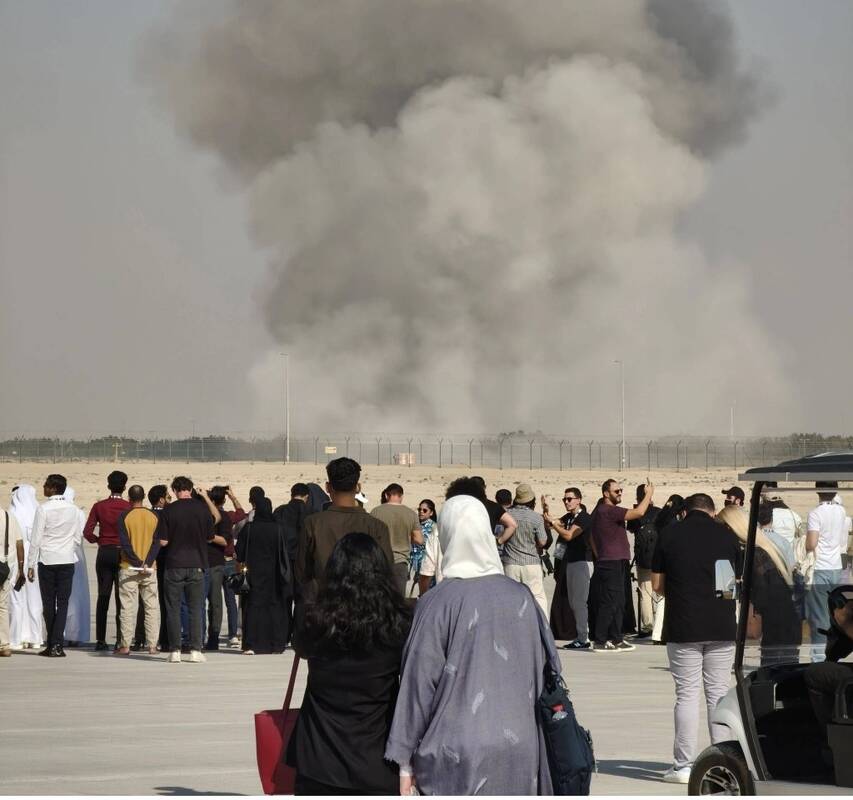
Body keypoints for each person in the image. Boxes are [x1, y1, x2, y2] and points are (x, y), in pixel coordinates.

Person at [385, 495, 561, 795]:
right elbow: (551, 667)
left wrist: (404, 759)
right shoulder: (522, 597)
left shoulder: (436, 602)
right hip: (521, 748)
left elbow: (418, 683)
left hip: (455, 753)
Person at [286, 533, 413, 794]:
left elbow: (301, 648)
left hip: (318, 757)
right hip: (377, 757)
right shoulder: (398, 623)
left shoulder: (315, 618)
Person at [651, 493, 738, 783]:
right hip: (721, 625)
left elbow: (657, 585)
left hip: (684, 625)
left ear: (685, 512)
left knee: (687, 695)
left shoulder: (669, 534)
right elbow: (728, 587)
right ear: (712, 512)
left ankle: (683, 765)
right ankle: (723, 761)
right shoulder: (726, 536)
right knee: (718, 694)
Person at [295, 458, 393, 606]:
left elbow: (302, 572)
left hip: (325, 608)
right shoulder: (377, 527)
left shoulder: (312, 524)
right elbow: (386, 572)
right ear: (358, 487)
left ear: (328, 487)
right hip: (365, 609)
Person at [718, 505, 800, 666]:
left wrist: (736, 587)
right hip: (784, 624)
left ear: (730, 527)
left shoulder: (754, 555)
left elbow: (760, 594)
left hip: (776, 627)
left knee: (773, 672)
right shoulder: (764, 548)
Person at [156, 476, 219, 664]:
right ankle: (195, 650)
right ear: (190, 490)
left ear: (175, 491)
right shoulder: (202, 509)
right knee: (195, 608)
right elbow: (210, 537)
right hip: (197, 563)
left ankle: (175, 650)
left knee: (173, 609)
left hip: (174, 564)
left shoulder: (168, 510)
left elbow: (163, 541)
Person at [589, 478, 654, 653]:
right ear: (606, 493)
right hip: (610, 562)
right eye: (616, 491)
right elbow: (639, 512)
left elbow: (591, 537)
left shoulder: (600, 511)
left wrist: (599, 554)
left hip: (614, 561)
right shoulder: (608, 510)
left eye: (621, 491)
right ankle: (600, 641)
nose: (619, 493)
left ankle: (616, 638)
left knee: (618, 602)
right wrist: (648, 494)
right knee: (609, 602)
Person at [27, 474, 83, 658]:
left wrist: (30, 564)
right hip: (66, 560)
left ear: (53, 488)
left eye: (46, 485)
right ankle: (56, 643)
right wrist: (66, 548)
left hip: (47, 560)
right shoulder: (74, 509)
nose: (43, 487)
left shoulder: (43, 509)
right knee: (63, 603)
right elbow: (77, 537)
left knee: (49, 603)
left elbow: (36, 539)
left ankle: (53, 643)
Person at [235, 497, 292, 655]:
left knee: (253, 608)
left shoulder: (249, 528)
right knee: (274, 608)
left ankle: (251, 644)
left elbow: (240, 552)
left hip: (253, 574)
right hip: (274, 575)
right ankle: (275, 644)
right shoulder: (278, 528)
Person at [83, 470, 131, 650]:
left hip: (105, 552)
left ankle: (101, 640)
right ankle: (120, 639)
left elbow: (87, 532)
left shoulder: (99, 506)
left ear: (108, 485)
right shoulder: (128, 507)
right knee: (121, 597)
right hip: (122, 553)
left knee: (103, 596)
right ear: (124, 487)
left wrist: (99, 540)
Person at [805, 482, 848, 662]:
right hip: (835, 566)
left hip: (821, 566)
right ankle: (832, 654)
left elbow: (811, 543)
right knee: (832, 614)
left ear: (818, 490)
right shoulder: (841, 511)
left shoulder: (815, 513)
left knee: (819, 616)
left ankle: (818, 658)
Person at [546, 488, 593, 649]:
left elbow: (568, 535)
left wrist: (554, 524)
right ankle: (581, 635)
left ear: (578, 500)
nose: (566, 502)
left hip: (582, 562)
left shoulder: (584, 517)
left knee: (579, 602)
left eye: (569, 499)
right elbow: (552, 523)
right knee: (573, 602)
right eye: (564, 499)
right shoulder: (569, 517)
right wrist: (546, 512)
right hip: (571, 562)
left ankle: (583, 638)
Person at [116, 485, 160, 655]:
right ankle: (152, 645)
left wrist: (137, 562)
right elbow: (156, 542)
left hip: (129, 567)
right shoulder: (153, 516)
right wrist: (147, 562)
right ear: (144, 497)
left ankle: (125, 645)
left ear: (129, 498)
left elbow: (125, 543)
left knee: (127, 607)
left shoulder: (124, 516)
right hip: (149, 568)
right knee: (151, 607)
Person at [500, 483, 549, 615]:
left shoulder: (507, 515)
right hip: (531, 563)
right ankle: (542, 624)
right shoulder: (536, 517)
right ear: (532, 500)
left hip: (511, 563)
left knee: (512, 599)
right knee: (537, 597)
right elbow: (543, 542)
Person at [8, 485, 43, 650]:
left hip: (17, 560)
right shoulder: (38, 511)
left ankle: (17, 638)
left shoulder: (13, 513)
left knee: (16, 599)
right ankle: (35, 638)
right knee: (35, 598)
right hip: (34, 560)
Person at [370, 484, 420, 593]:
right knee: (398, 599)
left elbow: (370, 537)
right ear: (401, 496)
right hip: (401, 563)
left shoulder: (376, 511)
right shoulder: (411, 514)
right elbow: (419, 539)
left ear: (386, 495)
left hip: (380, 562)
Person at [202, 486, 234, 651]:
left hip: (215, 563)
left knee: (215, 603)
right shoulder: (203, 515)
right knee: (199, 603)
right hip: (201, 563)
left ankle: (213, 638)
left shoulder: (224, 518)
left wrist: (210, 537)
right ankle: (199, 637)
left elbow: (224, 541)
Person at [627, 484, 660, 637]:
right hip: (658, 558)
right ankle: (660, 623)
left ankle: (647, 626)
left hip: (643, 559)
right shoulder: (659, 512)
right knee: (659, 592)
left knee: (645, 592)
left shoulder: (635, 514)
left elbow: (631, 529)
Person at [63, 487, 90, 647]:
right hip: (76, 555)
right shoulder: (78, 512)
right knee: (77, 596)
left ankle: (61, 633)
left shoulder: (52, 509)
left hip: (59, 554)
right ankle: (75, 634)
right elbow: (81, 534)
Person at [0, 500, 25, 657]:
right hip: (6, 568)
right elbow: (19, 543)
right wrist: (21, 569)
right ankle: (4, 645)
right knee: (2, 606)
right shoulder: (9, 517)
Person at [149, 484, 171, 651]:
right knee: (166, 602)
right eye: (168, 497)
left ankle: (142, 638)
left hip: (148, 560)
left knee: (146, 603)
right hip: (165, 561)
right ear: (162, 499)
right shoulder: (167, 515)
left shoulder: (148, 514)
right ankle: (165, 638)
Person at [411, 499, 437, 595]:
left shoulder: (434, 528)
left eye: (425, 510)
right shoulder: (415, 525)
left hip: (426, 565)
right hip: (413, 564)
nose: (421, 512)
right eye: (419, 509)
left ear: (431, 513)